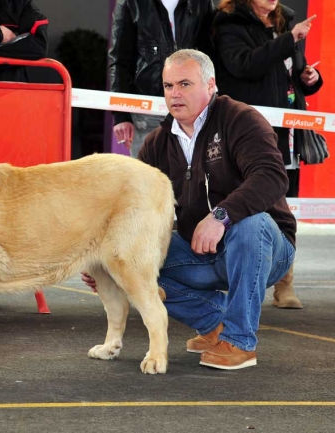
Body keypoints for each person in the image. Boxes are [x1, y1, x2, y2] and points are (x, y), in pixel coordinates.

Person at [83, 49, 296, 370]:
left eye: (185, 84)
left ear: (210, 85)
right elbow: (132, 209)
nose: (175, 94)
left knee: (250, 223)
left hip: (267, 249)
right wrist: (103, 257)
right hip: (200, 252)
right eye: (168, 86)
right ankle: (215, 324)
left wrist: (221, 217)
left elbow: (272, 178)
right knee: (123, 262)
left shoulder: (241, 119)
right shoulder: (156, 144)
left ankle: (240, 343)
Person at [212, 0, 323, 309]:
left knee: (287, 208)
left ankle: (285, 282)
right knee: (248, 203)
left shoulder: (283, 23)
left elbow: (291, 73)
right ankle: (235, 278)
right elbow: (243, 66)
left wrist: (309, 78)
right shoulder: (228, 23)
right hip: (251, 132)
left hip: (289, 131)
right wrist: (289, 41)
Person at [108, 0, 215, 158]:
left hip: (192, 110)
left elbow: (210, 57)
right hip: (146, 113)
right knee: (146, 178)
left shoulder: (202, 3)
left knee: (189, 178)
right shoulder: (130, 3)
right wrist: (120, 115)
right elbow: (119, 60)